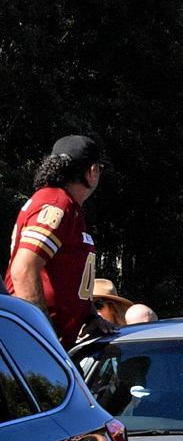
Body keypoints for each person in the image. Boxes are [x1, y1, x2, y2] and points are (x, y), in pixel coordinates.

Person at [9, 134, 108, 345]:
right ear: (92, 172)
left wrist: (89, 315)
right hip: (30, 348)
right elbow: (24, 270)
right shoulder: (57, 203)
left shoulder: (66, 206)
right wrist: (42, 336)